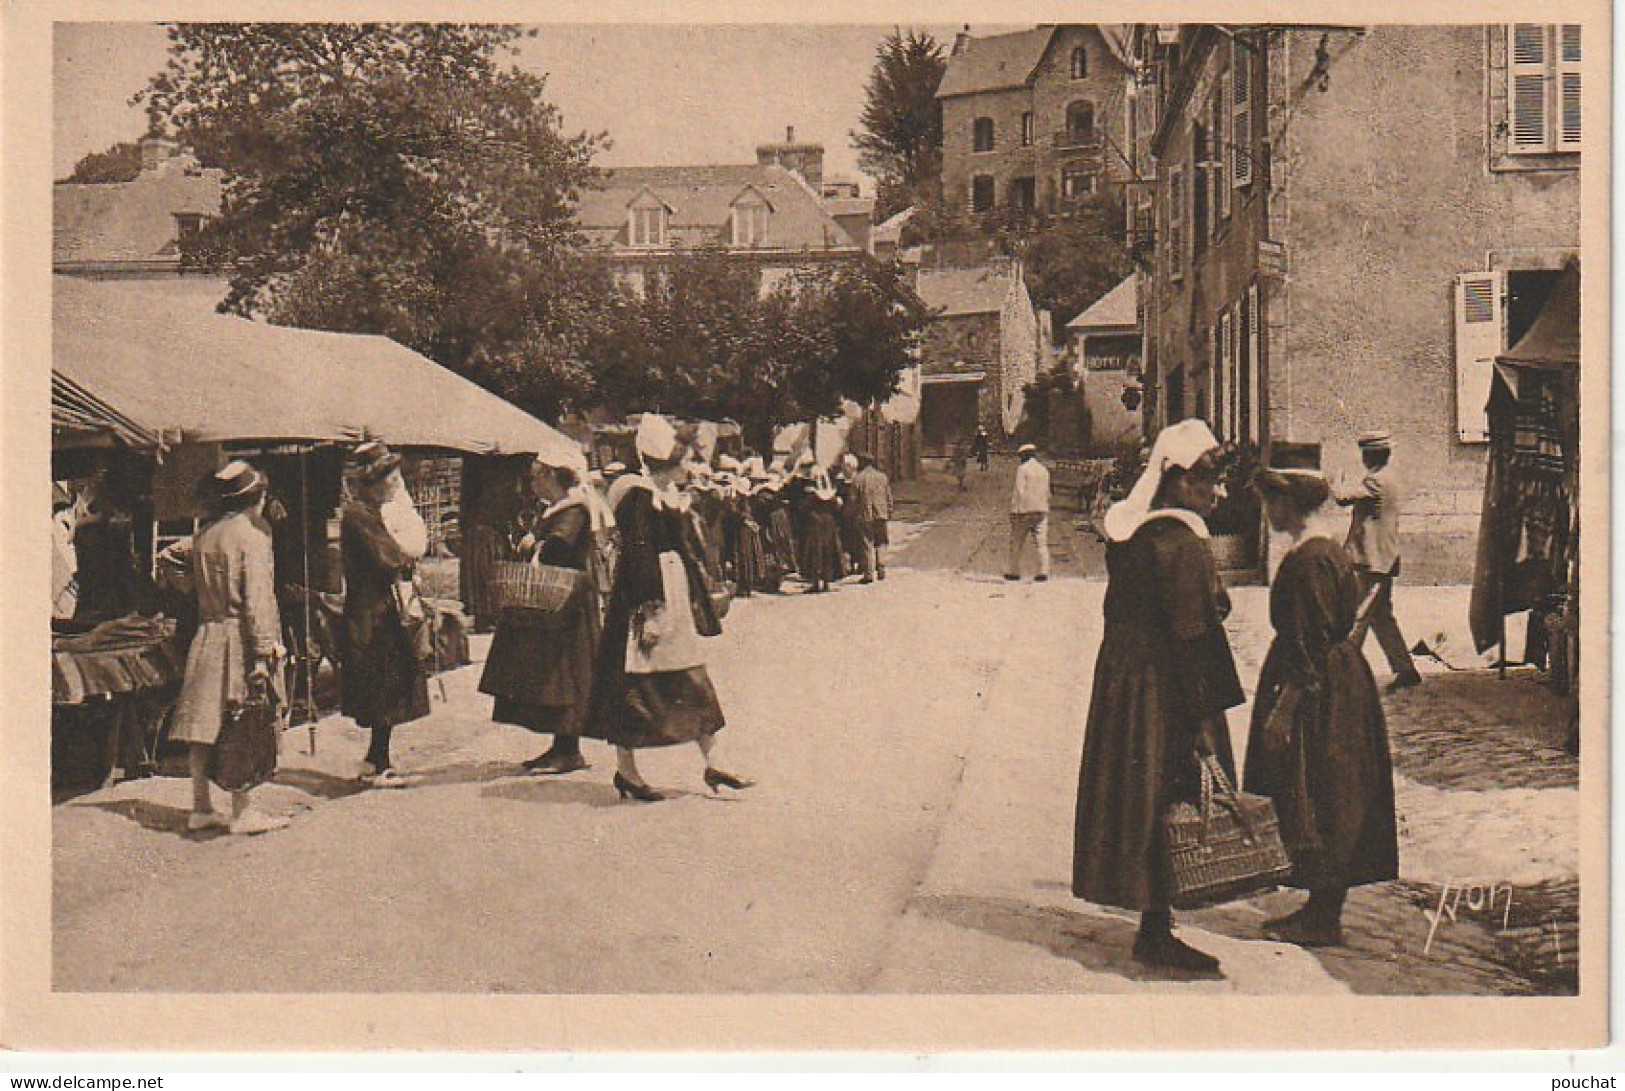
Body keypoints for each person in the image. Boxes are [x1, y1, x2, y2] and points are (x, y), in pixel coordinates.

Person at [1072, 419, 1245, 975]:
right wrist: (1201, 722)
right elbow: (1194, 634)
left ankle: (1153, 919)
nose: (1217, 493)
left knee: (1139, 797)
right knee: (1171, 796)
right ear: (1174, 481)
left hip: (1127, 687)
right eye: (1207, 481)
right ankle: (1155, 931)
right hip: (1164, 689)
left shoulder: (1135, 536)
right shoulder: (1183, 544)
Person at [1243, 453, 1399, 947]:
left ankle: (1322, 916)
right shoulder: (1327, 550)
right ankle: (1321, 906)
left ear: (1290, 501)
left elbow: (1306, 643)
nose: (1268, 509)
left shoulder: (1310, 560)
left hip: (1316, 690)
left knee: (1316, 789)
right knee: (1333, 791)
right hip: (1339, 683)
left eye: (1272, 499)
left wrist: (1283, 711)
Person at [584, 414, 751, 801]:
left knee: (689, 678)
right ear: (666, 464)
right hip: (647, 599)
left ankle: (716, 761)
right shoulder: (638, 497)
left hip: (671, 597)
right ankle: (628, 771)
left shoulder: (663, 497)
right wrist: (648, 608)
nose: (687, 468)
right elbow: (640, 554)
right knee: (633, 689)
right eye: (682, 462)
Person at [168, 461, 290, 836]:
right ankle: (243, 810)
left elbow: (168, 560)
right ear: (257, 498)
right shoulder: (253, 535)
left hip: (208, 634)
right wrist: (265, 650)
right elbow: (257, 600)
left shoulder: (206, 534)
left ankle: (201, 806)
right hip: (239, 638)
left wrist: (192, 586)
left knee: (203, 725)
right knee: (246, 719)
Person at [479, 460, 604, 775]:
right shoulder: (556, 508)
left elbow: (559, 547)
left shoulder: (574, 510)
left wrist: (538, 544)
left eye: (535, 476)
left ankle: (568, 750)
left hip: (568, 603)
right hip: (555, 601)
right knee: (552, 676)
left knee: (564, 676)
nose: (531, 484)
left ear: (551, 475)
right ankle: (561, 747)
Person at [341, 441, 431, 786]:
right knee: (381, 682)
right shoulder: (359, 516)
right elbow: (388, 557)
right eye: (387, 479)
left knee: (389, 681)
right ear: (371, 483)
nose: (394, 485)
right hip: (371, 611)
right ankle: (377, 764)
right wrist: (404, 558)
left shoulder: (372, 513)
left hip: (381, 606)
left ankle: (376, 757)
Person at [1335, 431, 1421, 691]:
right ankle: (1405, 669)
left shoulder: (1375, 481)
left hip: (1372, 562)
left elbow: (1342, 498)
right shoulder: (1389, 479)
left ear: (1368, 456)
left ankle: (1343, 673)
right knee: (1381, 617)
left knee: (1357, 616)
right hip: (1383, 559)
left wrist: (1334, 480)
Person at [1006, 443, 1052, 583]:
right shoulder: (1044, 470)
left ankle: (1014, 572)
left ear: (1024, 455)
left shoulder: (1023, 469)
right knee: (1041, 543)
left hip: (1024, 512)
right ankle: (1043, 571)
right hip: (1041, 511)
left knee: (1016, 542)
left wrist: (1014, 511)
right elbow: (1048, 492)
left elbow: (1019, 491)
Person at [796, 468, 844, 593]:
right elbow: (837, 509)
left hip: (816, 524)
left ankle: (816, 582)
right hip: (829, 524)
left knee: (815, 553)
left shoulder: (811, 495)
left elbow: (803, 509)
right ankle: (827, 582)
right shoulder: (831, 495)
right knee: (828, 552)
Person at [850, 454, 893, 583]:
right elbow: (888, 496)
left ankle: (868, 573)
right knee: (881, 541)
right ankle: (881, 568)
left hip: (865, 516)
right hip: (881, 514)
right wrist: (889, 511)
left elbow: (852, 500)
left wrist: (851, 514)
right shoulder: (882, 477)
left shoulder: (858, 479)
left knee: (867, 543)